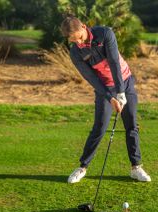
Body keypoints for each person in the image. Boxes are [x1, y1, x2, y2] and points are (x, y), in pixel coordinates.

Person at [61, 16, 151, 183]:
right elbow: (91, 78)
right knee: (100, 127)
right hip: (104, 88)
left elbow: (114, 62)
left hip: (125, 81)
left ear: (84, 27)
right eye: (73, 41)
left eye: (79, 37)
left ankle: (136, 168)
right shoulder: (75, 52)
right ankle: (82, 167)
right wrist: (111, 97)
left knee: (131, 124)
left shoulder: (105, 34)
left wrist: (121, 92)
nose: (78, 43)